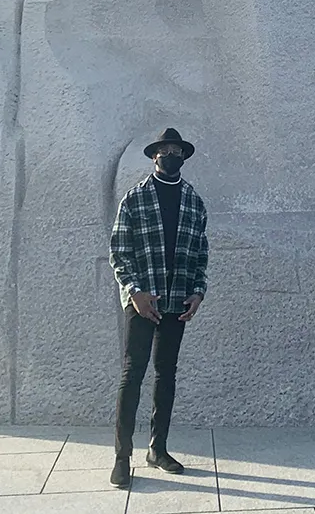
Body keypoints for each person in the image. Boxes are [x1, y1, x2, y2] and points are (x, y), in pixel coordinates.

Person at [108, 128, 208, 491]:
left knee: (166, 374)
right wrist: (135, 292)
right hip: (142, 301)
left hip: (177, 301)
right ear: (154, 156)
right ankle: (122, 458)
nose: (170, 155)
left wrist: (198, 292)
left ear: (183, 157)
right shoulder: (135, 199)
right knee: (132, 374)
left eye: (176, 151)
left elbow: (200, 253)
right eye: (165, 150)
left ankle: (158, 449)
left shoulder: (193, 201)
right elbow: (120, 251)